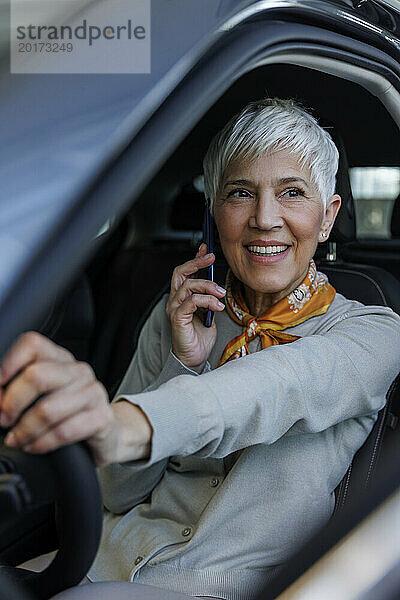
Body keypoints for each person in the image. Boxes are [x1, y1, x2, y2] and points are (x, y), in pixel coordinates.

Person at [1, 98, 400, 600]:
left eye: (292, 193)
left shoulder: (373, 331)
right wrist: (180, 363)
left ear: (327, 217)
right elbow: (115, 491)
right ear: (214, 214)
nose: (264, 218)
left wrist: (116, 423)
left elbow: (277, 385)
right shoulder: (179, 314)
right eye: (240, 194)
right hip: (100, 560)